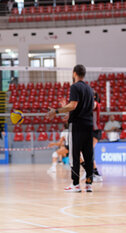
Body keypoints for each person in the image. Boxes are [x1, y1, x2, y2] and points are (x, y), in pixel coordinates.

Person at [47, 64, 94, 193]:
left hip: (77, 125)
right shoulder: (90, 89)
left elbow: (73, 105)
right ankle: (89, 184)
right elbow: (85, 108)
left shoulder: (74, 86)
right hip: (89, 125)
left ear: (74, 73)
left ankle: (75, 184)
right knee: (88, 155)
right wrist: (69, 114)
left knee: (74, 154)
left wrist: (56, 111)